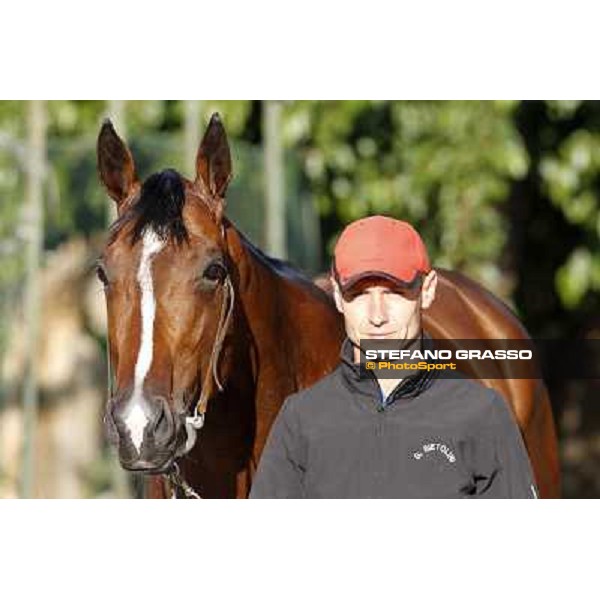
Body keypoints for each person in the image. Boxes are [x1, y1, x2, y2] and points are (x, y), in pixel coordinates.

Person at [250, 215, 538, 499]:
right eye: (359, 294)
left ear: (427, 290)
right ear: (338, 296)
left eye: (394, 293)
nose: (377, 316)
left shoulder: (483, 413)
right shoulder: (300, 420)